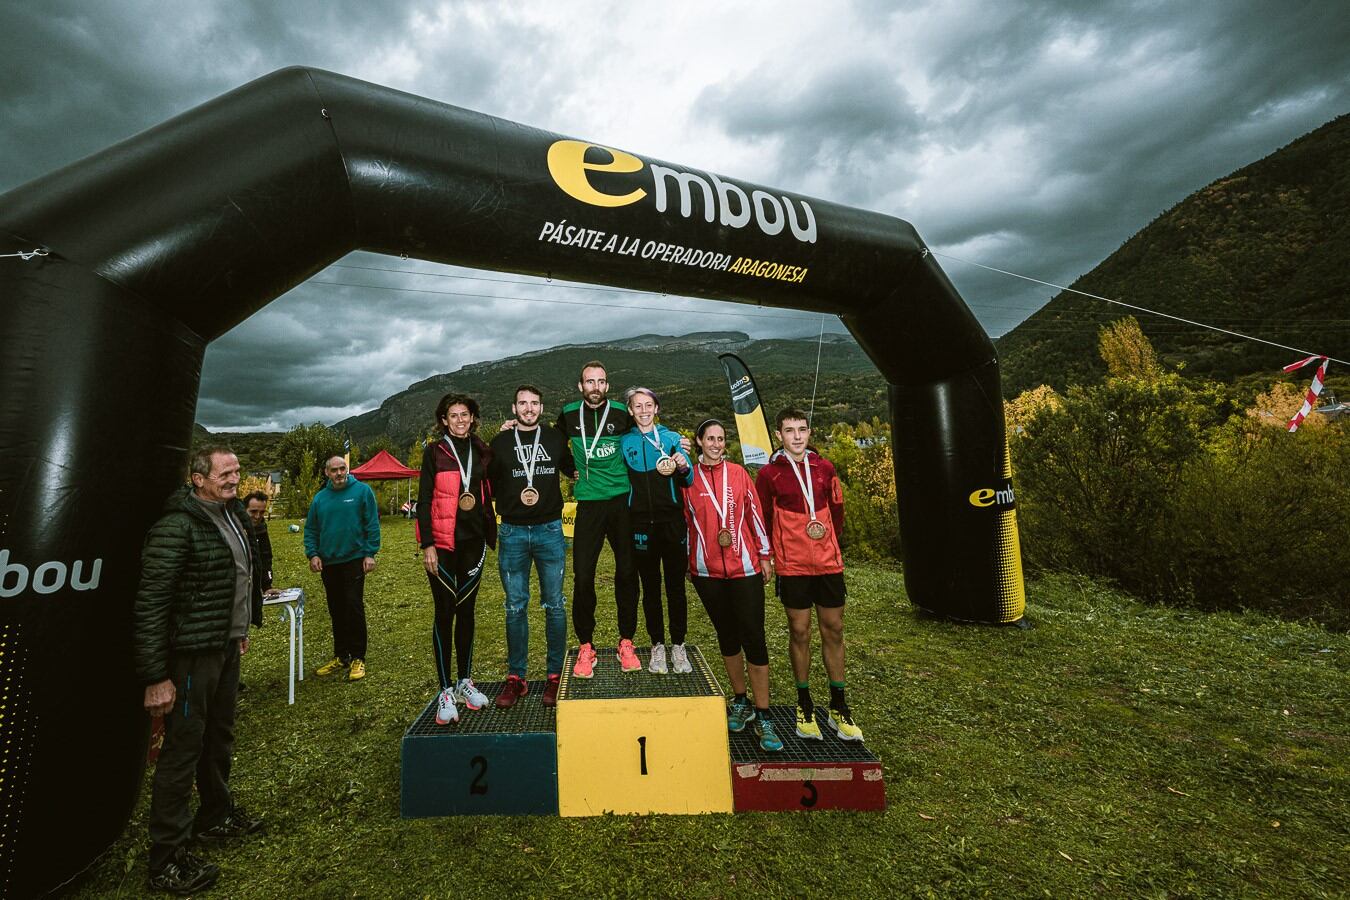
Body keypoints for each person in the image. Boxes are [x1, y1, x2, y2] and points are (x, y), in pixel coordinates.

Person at [134, 446, 264, 895]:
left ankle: (215, 816)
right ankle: (166, 859)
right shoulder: (176, 527)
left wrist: (241, 626)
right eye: (225, 473)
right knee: (183, 748)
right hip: (190, 655)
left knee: (219, 735)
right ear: (197, 478)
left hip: (224, 646)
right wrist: (155, 676)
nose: (234, 479)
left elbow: (242, 573)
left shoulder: (234, 515)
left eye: (237, 471)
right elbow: (152, 603)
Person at [756, 408, 862, 742]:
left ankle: (838, 706)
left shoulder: (825, 467)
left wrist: (829, 542)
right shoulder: (769, 474)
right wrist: (770, 557)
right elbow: (764, 518)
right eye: (790, 431)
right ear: (779, 435)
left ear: (809, 432)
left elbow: (838, 509)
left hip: (828, 564)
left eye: (802, 430)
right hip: (793, 565)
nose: (797, 437)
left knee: (834, 629)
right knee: (799, 632)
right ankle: (804, 704)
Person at [683, 420, 782, 752]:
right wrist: (687, 560)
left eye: (721, 439)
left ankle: (764, 712)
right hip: (706, 572)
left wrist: (766, 555)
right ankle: (740, 700)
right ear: (698, 442)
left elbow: (755, 516)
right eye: (709, 438)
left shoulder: (739, 474)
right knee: (726, 635)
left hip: (745, 568)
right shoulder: (688, 478)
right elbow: (683, 523)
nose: (715, 444)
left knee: (754, 636)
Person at [487, 385, 575, 708]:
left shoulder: (554, 439)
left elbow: (575, 467)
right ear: (513, 408)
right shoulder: (499, 443)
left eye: (534, 403)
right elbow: (488, 482)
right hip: (511, 532)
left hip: (550, 530)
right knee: (515, 605)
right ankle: (517, 678)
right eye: (522, 403)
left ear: (542, 407)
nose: (528, 408)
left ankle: (555, 676)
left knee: (554, 603)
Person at [555, 360, 641, 676]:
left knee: (628, 572)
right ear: (581, 386)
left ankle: (626, 641)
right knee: (583, 575)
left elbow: (645, 435)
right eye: (590, 382)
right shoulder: (567, 414)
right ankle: (586, 646)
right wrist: (567, 468)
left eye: (601, 382)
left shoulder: (621, 412)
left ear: (607, 385)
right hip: (589, 504)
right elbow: (553, 443)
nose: (596, 387)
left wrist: (676, 442)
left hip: (621, 502)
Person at [418, 394, 496, 724]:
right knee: (444, 612)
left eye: (465, 414)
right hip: (445, 546)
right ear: (444, 420)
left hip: (473, 543)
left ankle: (464, 682)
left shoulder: (482, 451)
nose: (460, 420)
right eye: (454, 415)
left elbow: (492, 487)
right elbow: (423, 501)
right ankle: (445, 690)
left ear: (473, 417)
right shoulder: (434, 452)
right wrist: (428, 546)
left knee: (466, 612)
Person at [620, 386, 694, 674]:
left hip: (671, 523)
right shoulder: (624, 442)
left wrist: (682, 466)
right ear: (630, 410)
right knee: (650, 588)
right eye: (637, 406)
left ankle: (678, 645)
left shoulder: (673, 439)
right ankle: (657, 646)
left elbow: (687, 480)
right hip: (639, 525)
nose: (643, 410)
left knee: (675, 587)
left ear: (657, 407)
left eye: (648, 404)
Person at [304, 456, 380, 682]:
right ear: (326, 472)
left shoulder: (362, 492)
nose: (339, 473)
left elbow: (371, 524)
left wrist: (370, 553)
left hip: (354, 559)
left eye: (342, 469)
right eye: (334, 470)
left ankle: (358, 657)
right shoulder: (320, 499)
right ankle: (342, 655)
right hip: (329, 563)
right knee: (336, 609)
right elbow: (311, 530)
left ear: (347, 470)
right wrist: (313, 553)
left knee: (353, 606)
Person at [243, 490, 275, 592]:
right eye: (253, 511)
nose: (257, 516)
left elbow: (266, 557)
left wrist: (267, 586)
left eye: (261, 512)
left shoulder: (262, 528)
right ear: (244, 510)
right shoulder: (233, 528)